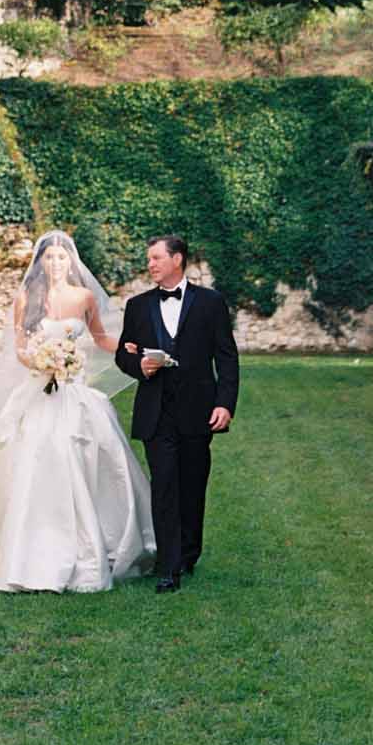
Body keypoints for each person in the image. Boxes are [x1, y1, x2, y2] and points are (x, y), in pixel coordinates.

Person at [0, 230, 156, 592]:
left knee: (84, 456)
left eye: (61, 258)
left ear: (71, 262)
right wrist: (39, 361)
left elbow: (100, 338)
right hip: (38, 388)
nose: (55, 264)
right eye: (49, 258)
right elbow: (19, 345)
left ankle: (94, 545)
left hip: (73, 391)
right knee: (34, 458)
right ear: (40, 262)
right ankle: (26, 553)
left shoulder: (84, 296)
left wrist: (135, 348)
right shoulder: (28, 297)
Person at [115, 234, 239, 593]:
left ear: (177, 260)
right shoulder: (137, 306)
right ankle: (168, 565)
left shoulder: (211, 303)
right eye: (149, 259)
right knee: (164, 487)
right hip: (156, 412)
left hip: (198, 410)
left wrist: (224, 404)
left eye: (156, 258)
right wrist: (140, 365)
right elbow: (123, 356)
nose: (150, 264)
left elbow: (226, 358)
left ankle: (188, 552)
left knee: (192, 485)